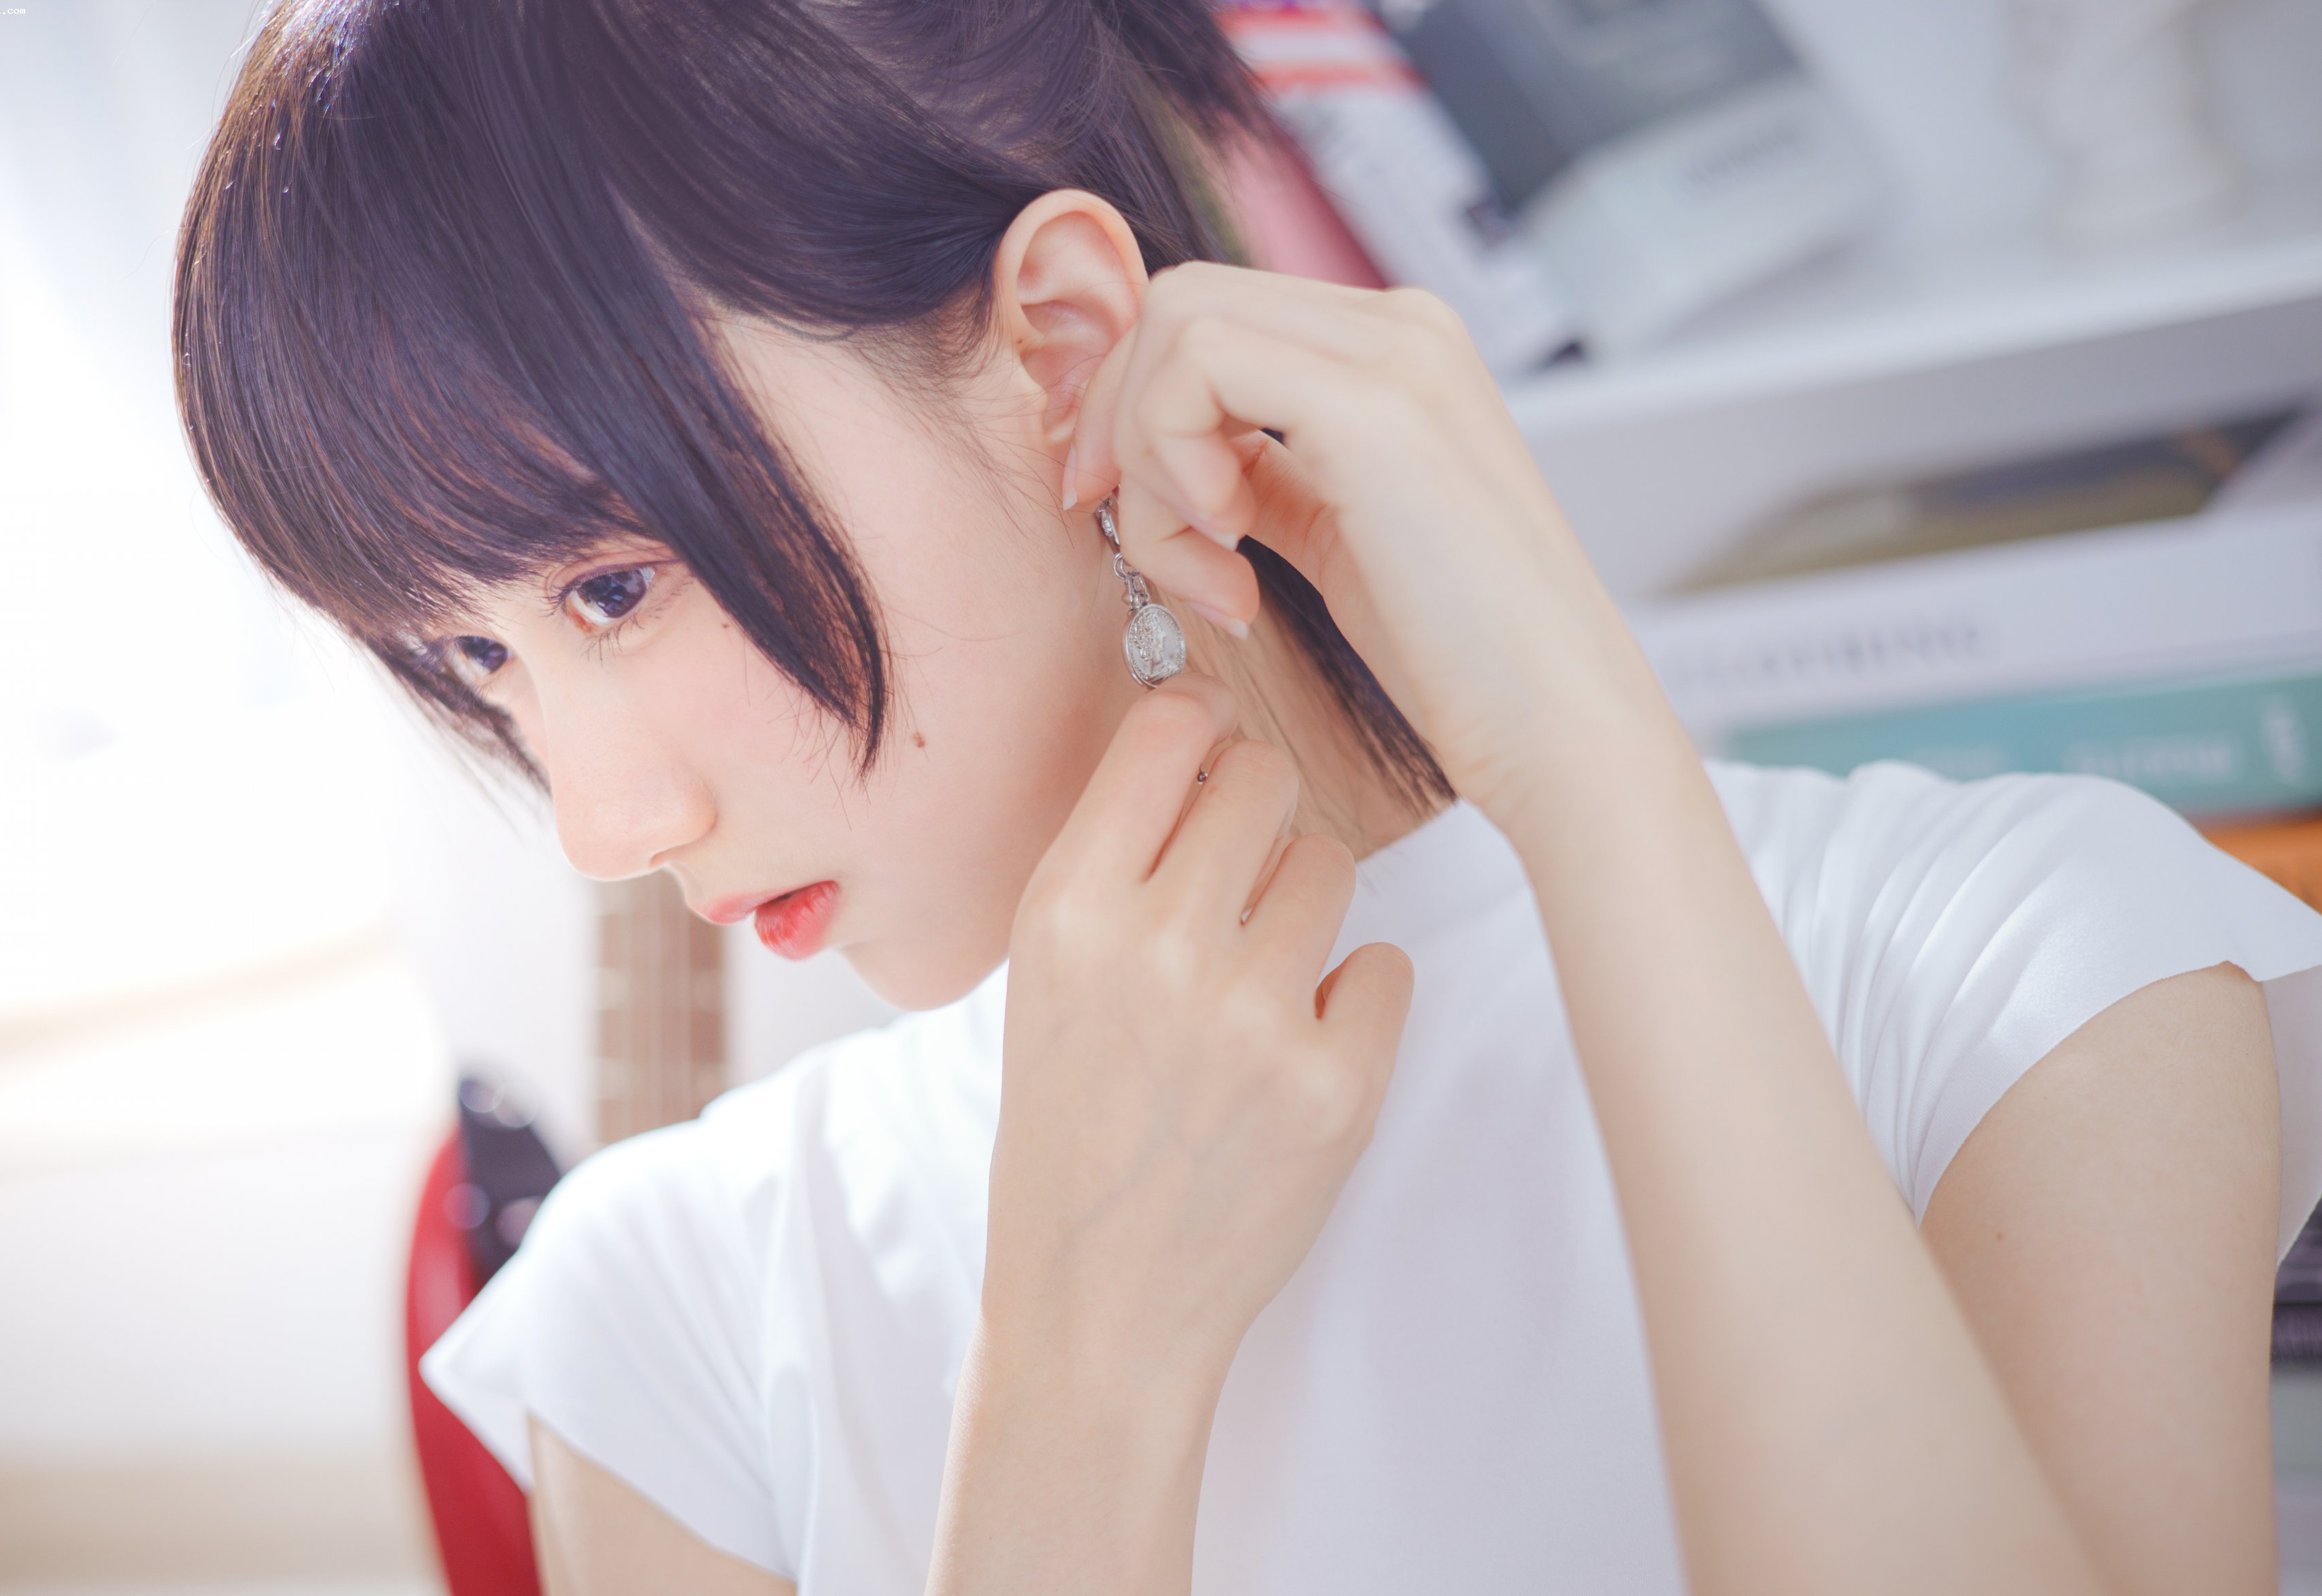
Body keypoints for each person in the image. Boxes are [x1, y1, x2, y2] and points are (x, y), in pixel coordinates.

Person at [172, 0, 2322, 1591]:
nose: (599, 824)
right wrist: (1077, 1381)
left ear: (1060, 349)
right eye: (475, 658)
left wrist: (1592, 774)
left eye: (610, 587)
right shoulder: (665, 1318)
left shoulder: (2031, 971)